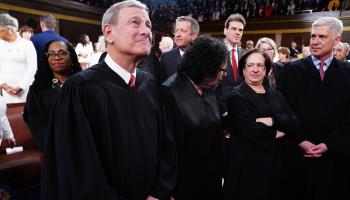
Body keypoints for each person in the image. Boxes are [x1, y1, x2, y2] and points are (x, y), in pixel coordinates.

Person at [41, 1, 177, 200]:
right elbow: (79, 167)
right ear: (109, 33)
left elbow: (167, 146)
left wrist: (159, 192)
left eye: (148, 25)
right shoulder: (80, 89)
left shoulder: (152, 87)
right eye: (135, 23)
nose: (146, 31)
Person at [277, 16, 350, 200]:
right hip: (296, 156)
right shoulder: (290, 70)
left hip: (335, 159)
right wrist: (300, 140)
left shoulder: (347, 74)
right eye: (312, 36)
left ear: (337, 39)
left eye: (322, 37)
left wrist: (329, 145)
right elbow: (281, 110)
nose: (315, 42)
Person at [223, 49, 299, 200]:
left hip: (275, 164)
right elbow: (249, 129)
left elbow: (294, 121)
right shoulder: (235, 96)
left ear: (266, 70)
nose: (255, 69)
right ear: (243, 70)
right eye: (250, 65)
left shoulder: (276, 94)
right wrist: (279, 129)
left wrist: (272, 121)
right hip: (247, 167)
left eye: (260, 65)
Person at [161, 36, 228, 200]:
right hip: (183, 183)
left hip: (210, 177)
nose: (223, 75)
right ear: (206, 68)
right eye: (221, 70)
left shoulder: (209, 88)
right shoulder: (169, 92)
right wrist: (167, 190)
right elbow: (165, 148)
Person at [23, 40, 81, 150]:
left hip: (85, 144)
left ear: (72, 57)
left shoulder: (84, 85)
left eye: (62, 53)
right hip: (54, 148)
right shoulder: (38, 90)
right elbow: (35, 123)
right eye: (51, 54)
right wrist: (53, 145)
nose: (56, 57)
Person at [0, 13, 37, 103]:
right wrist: (2, 84)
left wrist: (21, 87)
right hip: (5, 91)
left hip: (24, 91)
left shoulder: (27, 44)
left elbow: (33, 67)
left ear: (8, 30)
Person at [159, 16, 199, 83]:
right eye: (176, 31)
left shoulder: (203, 57)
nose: (177, 34)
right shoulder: (165, 58)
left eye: (183, 31)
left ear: (193, 36)